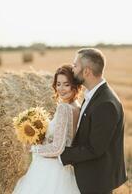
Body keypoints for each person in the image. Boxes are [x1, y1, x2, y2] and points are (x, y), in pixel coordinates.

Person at [60, 48, 128, 194]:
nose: (72, 69)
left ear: (87, 72)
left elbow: (94, 149)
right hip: (91, 177)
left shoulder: (105, 104)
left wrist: (61, 154)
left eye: (75, 65)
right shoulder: (94, 94)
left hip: (96, 182)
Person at [12, 65, 81, 194]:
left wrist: (33, 148)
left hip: (52, 169)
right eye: (58, 84)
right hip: (67, 167)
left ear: (74, 85)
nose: (61, 89)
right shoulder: (77, 106)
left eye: (66, 84)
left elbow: (57, 148)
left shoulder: (64, 109)